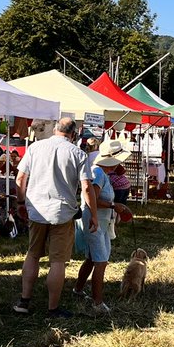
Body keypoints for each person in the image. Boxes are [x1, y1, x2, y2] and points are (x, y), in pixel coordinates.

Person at [13, 116, 97, 317]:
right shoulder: (78, 153)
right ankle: (52, 308)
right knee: (57, 262)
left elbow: (20, 177)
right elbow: (86, 186)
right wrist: (93, 214)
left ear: (55, 130)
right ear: (73, 134)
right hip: (62, 212)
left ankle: (24, 301)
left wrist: (20, 202)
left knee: (33, 255)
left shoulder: (35, 148)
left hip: (37, 209)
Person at [73, 139, 131, 315]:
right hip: (94, 219)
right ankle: (97, 303)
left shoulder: (101, 172)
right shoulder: (98, 173)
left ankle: (78, 289)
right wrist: (114, 206)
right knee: (101, 261)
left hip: (100, 221)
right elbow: (93, 199)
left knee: (92, 258)